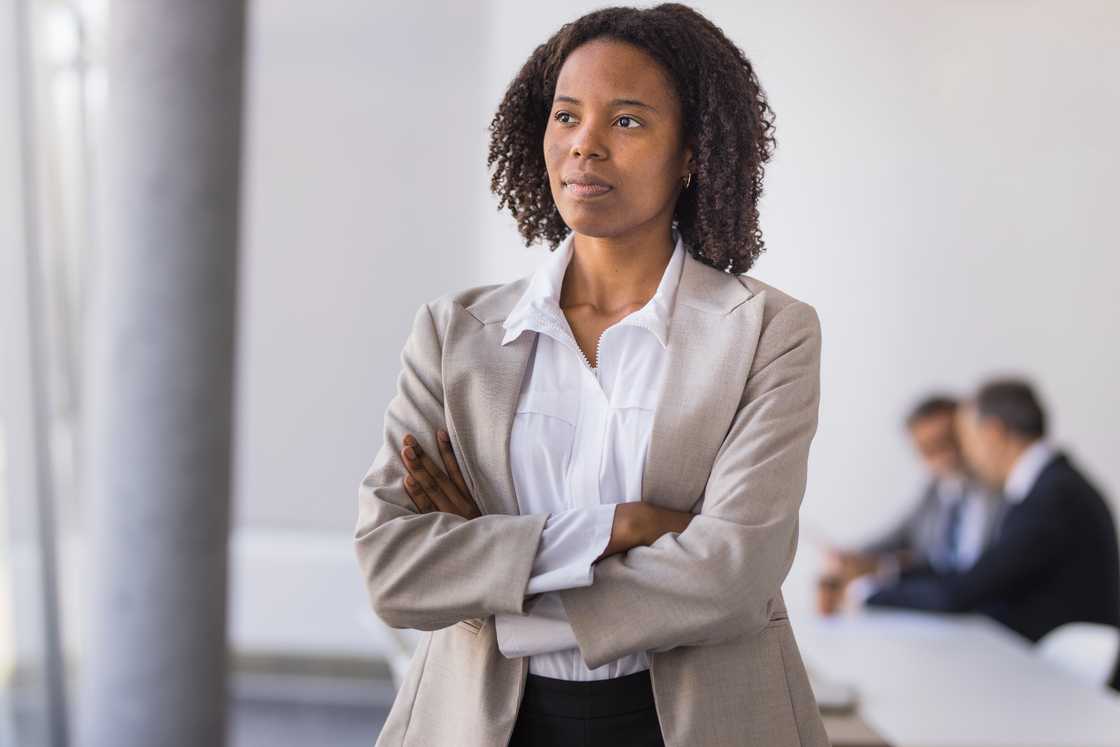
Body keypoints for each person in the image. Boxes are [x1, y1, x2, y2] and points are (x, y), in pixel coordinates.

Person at [353, 5, 829, 746]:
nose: (585, 145)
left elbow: (732, 575)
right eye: (567, 115)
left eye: (628, 121)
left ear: (692, 153)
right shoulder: (454, 335)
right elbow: (393, 568)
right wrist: (624, 526)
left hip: (702, 722)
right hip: (484, 721)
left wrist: (490, 560)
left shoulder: (770, 333)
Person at [861, 378, 1120, 643]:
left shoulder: (1052, 498)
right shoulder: (1050, 486)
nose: (968, 456)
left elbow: (967, 590)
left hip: (1058, 669)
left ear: (993, 434)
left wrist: (866, 595)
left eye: (967, 440)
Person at [818, 395, 1004, 614]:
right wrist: (849, 557)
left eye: (947, 442)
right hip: (941, 613)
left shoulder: (1002, 490)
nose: (942, 456)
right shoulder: (935, 491)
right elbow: (897, 535)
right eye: (927, 449)